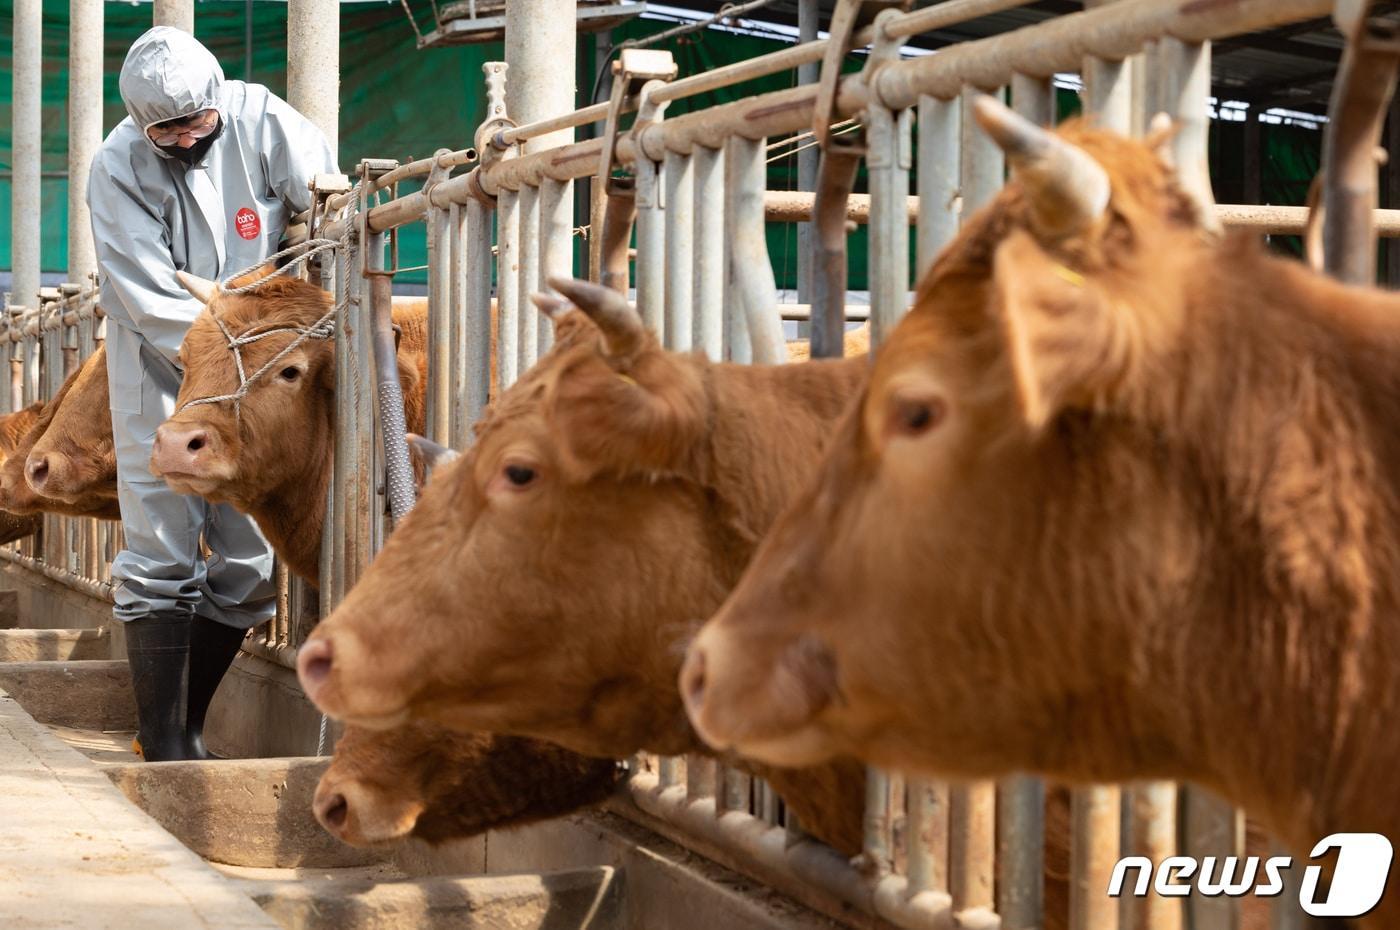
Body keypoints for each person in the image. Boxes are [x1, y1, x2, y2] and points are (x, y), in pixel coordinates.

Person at [87, 27, 337, 761]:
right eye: (167, 128)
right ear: (140, 124)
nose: (188, 135)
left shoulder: (261, 118)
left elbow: (326, 207)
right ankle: (162, 740)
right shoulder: (115, 166)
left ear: (218, 98)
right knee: (161, 542)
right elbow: (138, 285)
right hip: (164, 364)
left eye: (199, 120)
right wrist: (220, 340)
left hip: (258, 375)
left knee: (248, 560)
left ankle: (188, 723)